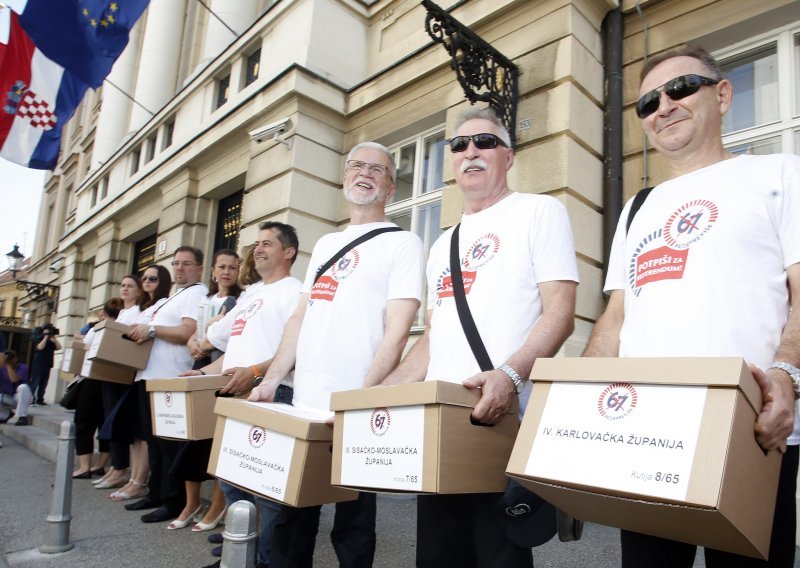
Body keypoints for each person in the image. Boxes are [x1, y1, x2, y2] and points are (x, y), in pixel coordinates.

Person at [582, 45, 800, 567]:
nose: (664, 106)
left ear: (722, 95)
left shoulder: (781, 175)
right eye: (648, 103)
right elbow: (616, 315)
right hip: (646, 428)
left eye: (680, 88)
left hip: (748, 426)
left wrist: (787, 372)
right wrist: (579, 401)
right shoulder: (638, 209)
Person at [383, 107, 578, 567]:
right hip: (443, 428)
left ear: (507, 156)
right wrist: (375, 397)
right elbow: (432, 338)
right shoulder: (442, 244)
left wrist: (509, 375)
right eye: (460, 145)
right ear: (452, 162)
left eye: (485, 142)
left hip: (502, 418)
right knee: (437, 556)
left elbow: (561, 313)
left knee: (499, 556)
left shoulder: (539, 212)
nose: (471, 151)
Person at [248, 142, 425, 568]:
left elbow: (398, 329)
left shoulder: (403, 243)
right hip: (304, 401)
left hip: (353, 405)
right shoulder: (327, 243)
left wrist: (361, 399)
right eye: (357, 166)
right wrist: (272, 379)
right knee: (289, 517)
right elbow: (299, 319)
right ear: (345, 176)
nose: (365, 173)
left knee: (354, 525)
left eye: (378, 170)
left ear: (390, 188)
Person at [181, 222, 301, 567]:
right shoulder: (250, 295)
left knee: (267, 490)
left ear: (288, 252)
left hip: (270, 395)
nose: (257, 249)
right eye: (256, 244)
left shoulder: (295, 291)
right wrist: (202, 373)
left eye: (267, 243)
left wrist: (256, 374)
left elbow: (293, 349)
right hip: (231, 396)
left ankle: (264, 560)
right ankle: (240, 554)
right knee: (232, 481)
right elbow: (231, 350)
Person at [127, 247, 208, 525]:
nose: (180, 268)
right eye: (176, 263)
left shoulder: (196, 292)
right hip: (149, 377)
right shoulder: (173, 296)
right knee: (155, 443)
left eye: (187, 264)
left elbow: (187, 332)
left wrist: (152, 330)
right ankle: (157, 494)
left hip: (170, 378)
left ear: (199, 268)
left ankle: (174, 501)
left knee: (169, 445)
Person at [168, 249, 242, 531]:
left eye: (232, 268)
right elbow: (191, 335)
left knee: (219, 441)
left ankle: (217, 505)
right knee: (193, 439)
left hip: (222, 372)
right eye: (221, 267)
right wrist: (193, 344)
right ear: (212, 270)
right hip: (200, 367)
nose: (226, 272)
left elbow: (232, 337)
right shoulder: (205, 300)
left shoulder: (240, 300)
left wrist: (208, 339)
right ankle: (192, 503)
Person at [114, 265, 171, 506]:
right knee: (138, 433)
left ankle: (140, 481)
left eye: (153, 278)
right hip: (137, 373)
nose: (147, 282)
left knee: (149, 435)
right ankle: (135, 479)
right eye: (145, 278)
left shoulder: (164, 304)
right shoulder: (145, 307)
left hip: (155, 373)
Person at [95, 275, 144, 491]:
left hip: (124, 373)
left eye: (130, 286)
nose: (125, 289)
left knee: (120, 421)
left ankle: (121, 468)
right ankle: (116, 467)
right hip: (111, 370)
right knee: (110, 419)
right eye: (122, 285)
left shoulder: (138, 312)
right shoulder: (123, 312)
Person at [72, 298, 125, 479]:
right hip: (115, 379)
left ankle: (85, 466)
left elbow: (85, 348)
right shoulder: (125, 326)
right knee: (106, 422)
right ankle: (100, 465)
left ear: (104, 312)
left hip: (92, 378)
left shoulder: (98, 328)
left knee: (84, 422)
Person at [30, 322, 62, 405]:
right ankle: (30, 399)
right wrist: (45, 336)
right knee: (35, 382)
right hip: (38, 363)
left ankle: (40, 399)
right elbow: (40, 347)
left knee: (44, 383)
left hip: (48, 364)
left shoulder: (52, 341)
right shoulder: (38, 337)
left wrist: (54, 338)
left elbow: (59, 347)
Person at [0, 350, 32, 426]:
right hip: (9, 398)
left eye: (11, 358)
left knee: (23, 387)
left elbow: (14, 379)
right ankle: (5, 415)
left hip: (23, 398)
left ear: (15, 359)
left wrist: (8, 365)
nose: (9, 360)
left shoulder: (22, 367)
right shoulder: (2, 368)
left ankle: (22, 417)